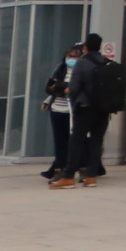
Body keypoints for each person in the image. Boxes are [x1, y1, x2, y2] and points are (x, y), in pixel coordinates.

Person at [67, 35, 124, 184]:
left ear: (85, 47)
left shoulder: (82, 63)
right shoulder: (107, 63)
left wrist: (74, 104)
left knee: (76, 140)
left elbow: (74, 87)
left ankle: (68, 176)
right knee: (96, 141)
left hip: (85, 108)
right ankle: (91, 176)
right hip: (103, 109)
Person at [41, 45, 79, 182]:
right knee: (59, 141)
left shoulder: (80, 71)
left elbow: (75, 88)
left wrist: (59, 87)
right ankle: (59, 169)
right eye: (70, 56)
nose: (71, 59)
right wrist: (60, 90)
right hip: (56, 109)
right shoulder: (60, 69)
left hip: (71, 111)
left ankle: (71, 168)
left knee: (71, 141)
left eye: (75, 57)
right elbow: (50, 88)